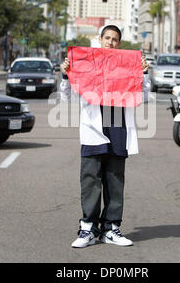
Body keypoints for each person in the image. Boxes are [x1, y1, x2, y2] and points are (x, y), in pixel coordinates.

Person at [60, 25, 150, 248]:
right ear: (100, 39)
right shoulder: (86, 63)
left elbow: (144, 96)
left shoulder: (127, 64)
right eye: (107, 38)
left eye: (115, 39)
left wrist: (144, 74)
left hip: (118, 126)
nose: (110, 42)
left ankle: (111, 228)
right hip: (93, 129)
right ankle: (88, 229)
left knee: (115, 180)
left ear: (119, 43)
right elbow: (67, 98)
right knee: (90, 179)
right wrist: (66, 74)